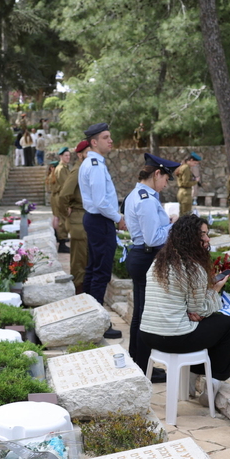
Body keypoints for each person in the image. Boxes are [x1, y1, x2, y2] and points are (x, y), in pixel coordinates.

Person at [138, 215, 230, 395]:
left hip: (148, 335)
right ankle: (214, 383)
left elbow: (190, 308)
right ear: (190, 236)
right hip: (173, 337)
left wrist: (195, 312)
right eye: (203, 234)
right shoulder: (193, 268)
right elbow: (200, 310)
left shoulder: (158, 263)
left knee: (206, 325)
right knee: (226, 324)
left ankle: (190, 383)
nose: (208, 239)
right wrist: (215, 290)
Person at [124, 153, 181, 380]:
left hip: (141, 256)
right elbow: (153, 238)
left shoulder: (137, 194)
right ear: (157, 173)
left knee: (140, 313)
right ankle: (142, 367)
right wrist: (175, 225)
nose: (166, 184)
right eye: (166, 178)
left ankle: (138, 362)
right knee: (145, 316)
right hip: (146, 257)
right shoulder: (146, 199)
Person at [78, 123, 125, 341]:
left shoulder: (92, 162)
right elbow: (100, 202)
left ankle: (89, 317)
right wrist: (118, 218)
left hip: (95, 220)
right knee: (101, 273)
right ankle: (99, 324)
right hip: (100, 220)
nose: (110, 140)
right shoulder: (95, 165)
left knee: (93, 270)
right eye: (106, 137)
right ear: (94, 142)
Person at [60, 141, 89, 292]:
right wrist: (67, 212)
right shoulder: (77, 171)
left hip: (84, 219)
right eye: (88, 153)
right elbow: (64, 194)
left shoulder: (85, 169)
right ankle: (79, 293)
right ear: (80, 155)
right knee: (79, 262)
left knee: (84, 259)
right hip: (78, 219)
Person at [52, 149, 72, 253]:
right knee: (62, 220)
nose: (68, 157)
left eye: (69, 155)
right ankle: (62, 243)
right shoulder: (61, 169)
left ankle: (62, 239)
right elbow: (66, 186)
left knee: (63, 219)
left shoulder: (65, 168)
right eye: (65, 155)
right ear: (60, 156)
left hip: (62, 196)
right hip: (61, 196)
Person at [174, 152, 201, 219]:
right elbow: (185, 183)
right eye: (195, 163)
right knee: (186, 214)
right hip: (185, 193)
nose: (195, 165)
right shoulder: (186, 168)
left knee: (183, 214)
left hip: (183, 192)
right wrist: (195, 181)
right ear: (191, 160)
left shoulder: (184, 167)